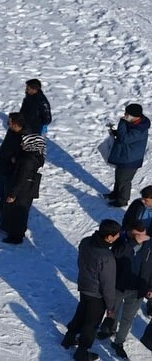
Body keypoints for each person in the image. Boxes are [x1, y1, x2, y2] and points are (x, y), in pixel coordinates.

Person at [62, 219, 121, 361]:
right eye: (117, 235)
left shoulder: (86, 241)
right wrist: (111, 308)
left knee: (80, 314)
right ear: (109, 237)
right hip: (97, 295)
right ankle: (82, 352)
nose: (119, 237)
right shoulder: (106, 258)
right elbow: (107, 285)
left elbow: (80, 262)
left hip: (84, 287)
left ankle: (69, 338)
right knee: (91, 324)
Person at [96, 220, 152, 358]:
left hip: (138, 289)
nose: (142, 238)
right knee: (112, 311)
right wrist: (134, 243)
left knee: (128, 318)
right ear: (129, 232)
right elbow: (116, 255)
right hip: (118, 286)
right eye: (138, 235)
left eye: (143, 235)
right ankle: (109, 329)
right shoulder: (120, 240)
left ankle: (119, 342)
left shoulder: (149, 244)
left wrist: (150, 287)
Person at [0, 130, 46, 245]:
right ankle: (17, 232)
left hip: (22, 191)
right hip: (28, 189)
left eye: (24, 143)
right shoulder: (34, 157)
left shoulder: (27, 161)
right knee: (21, 213)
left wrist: (12, 194)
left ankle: (16, 236)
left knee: (18, 214)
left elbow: (21, 178)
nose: (21, 144)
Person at [105, 103, 150, 207]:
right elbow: (124, 135)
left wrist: (122, 122)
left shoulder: (139, 129)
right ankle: (115, 194)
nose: (125, 115)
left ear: (135, 116)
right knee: (119, 177)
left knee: (124, 181)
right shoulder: (135, 123)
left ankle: (122, 200)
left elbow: (125, 139)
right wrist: (116, 132)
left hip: (130, 160)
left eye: (127, 114)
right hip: (125, 156)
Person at [0, 112, 23, 215]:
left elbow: (24, 154)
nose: (7, 124)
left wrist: (15, 159)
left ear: (15, 124)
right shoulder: (11, 131)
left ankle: (6, 214)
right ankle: (1, 208)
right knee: (1, 189)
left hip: (9, 169)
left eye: (9, 123)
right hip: (2, 165)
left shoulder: (23, 137)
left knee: (7, 192)